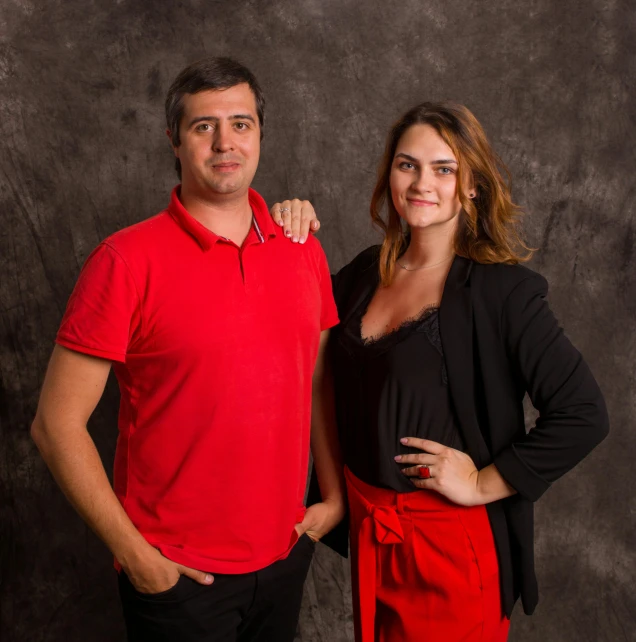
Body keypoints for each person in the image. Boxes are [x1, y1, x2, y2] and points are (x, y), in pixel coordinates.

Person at [30, 57, 346, 642]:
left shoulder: (301, 249)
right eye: (204, 126)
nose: (225, 142)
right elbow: (55, 425)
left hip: (284, 554)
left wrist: (331, 496)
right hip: (177, 574)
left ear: (259, 135)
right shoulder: (124, 262)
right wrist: (137, 556)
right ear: (174, 140)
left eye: (241, 123)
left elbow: (316, 380)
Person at [271, 102, 609, 641]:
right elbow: (295, 341)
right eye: (407, 165)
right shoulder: (362, 272)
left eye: (443, 168)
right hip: (370, 533)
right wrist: (288, 225)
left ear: (472, 185)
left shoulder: (504, 293)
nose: (422, 182)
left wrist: (480, 483)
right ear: (390, 175)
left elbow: (584, 414)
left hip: (450, 547)